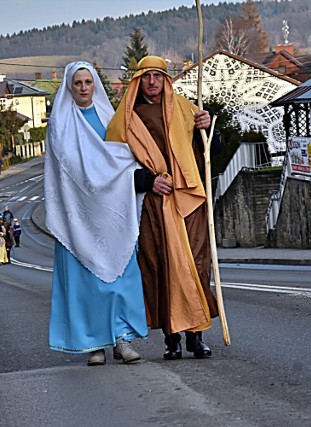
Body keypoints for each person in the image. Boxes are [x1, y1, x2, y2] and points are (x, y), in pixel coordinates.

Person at [106, 56, 220, 360]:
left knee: (196, 264)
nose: (152, 82)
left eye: (158, 75)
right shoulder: (125, 119)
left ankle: (196, 335)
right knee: (160, 267)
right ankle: (171, 339)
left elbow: (210, 152)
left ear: (165, 79)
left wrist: (208, 129)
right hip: (152, 205)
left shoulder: (185, 108)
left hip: (190, 200)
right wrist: (147, 180)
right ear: (138, 81)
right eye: (146, 76)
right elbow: (112, 169)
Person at [45, 61, 148, 366]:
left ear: (95, 85)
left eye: (88, 82)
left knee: (120, 279)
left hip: (114, 211)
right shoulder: (60, 124)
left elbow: (125, 157)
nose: (83, 88)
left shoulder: (110, 117)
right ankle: (94, 344)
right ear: (69, 86)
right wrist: (95, 182)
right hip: (79, 215)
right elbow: (67, 169)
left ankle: (121, 338)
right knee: (87, 283)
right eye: (77, 83)